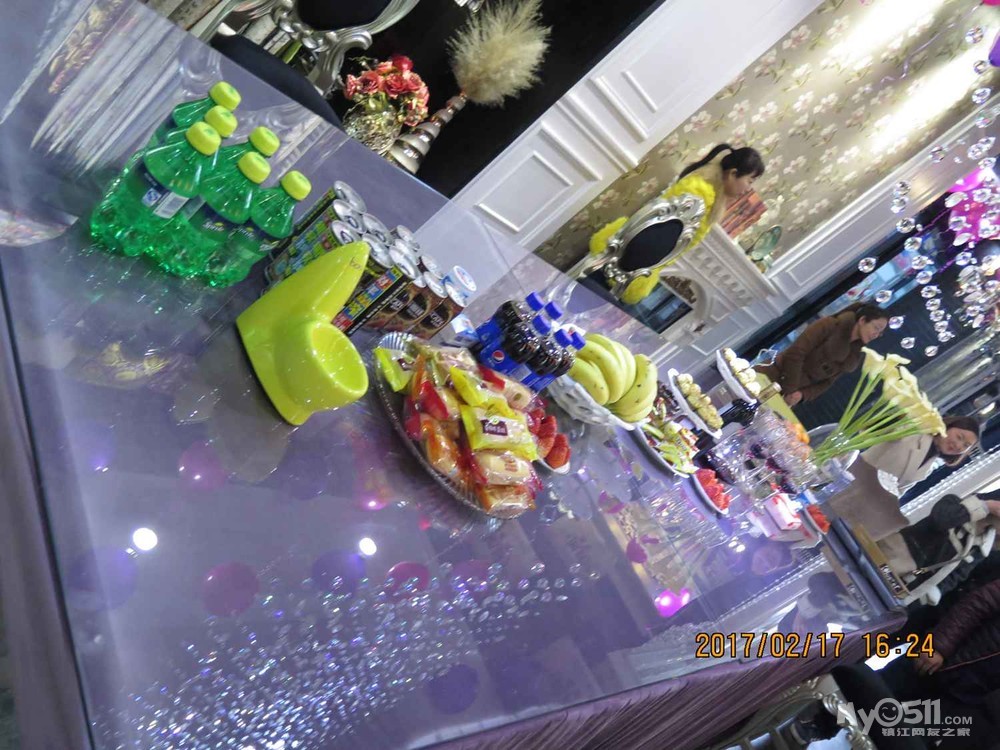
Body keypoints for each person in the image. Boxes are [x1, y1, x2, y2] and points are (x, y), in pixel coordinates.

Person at [587, 143, 766, 305]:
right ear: (733, 174)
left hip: (631, 258)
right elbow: (658, 240)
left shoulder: (706, 193)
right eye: (749, 181)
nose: (749, 188)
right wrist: (633, 269)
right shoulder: (700, 198)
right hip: (630, 260)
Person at [826, 416, 981, 541]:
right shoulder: (914, 430)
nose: (958, 445)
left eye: (965, 446)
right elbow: (871, 429)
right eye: (959, 437)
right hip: (845, 488)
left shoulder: (930, 464)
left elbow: (897, 492)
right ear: (948, 426)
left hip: (860, 511)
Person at [757, 303, 890, 407]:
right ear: (862, 320)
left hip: (789, 396)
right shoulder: (830, 324)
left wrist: (802, 395)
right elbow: (796, 353)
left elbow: (827, 383)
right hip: (771, 376)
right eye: (876, 328)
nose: (876, 335)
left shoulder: (853, 355)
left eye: (880, 333)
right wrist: (790, 389)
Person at [878, 491, 1000, 605]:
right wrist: (986, 506)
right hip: (889, 560)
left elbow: (957, 576)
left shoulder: (981, 547)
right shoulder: (954, 504)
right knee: (869, 586)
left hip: (909, 588)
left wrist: (935, 591)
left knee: (878, 605)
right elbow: (942, 521)